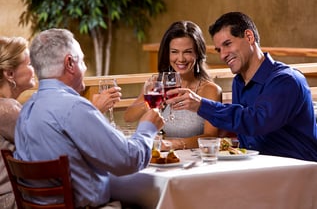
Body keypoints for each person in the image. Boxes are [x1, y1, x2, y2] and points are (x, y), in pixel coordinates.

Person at [13, 28, 164, 208]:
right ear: (70, 63)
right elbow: (129, 160)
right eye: (83, 60)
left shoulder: (27, 108)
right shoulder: (74, 107)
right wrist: (148, 128)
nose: (85, 68)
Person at [166, 12, 317, 162]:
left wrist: (202, 105)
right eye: (219, 50)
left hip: (299, 169)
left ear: (249, 37)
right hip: (258, 169)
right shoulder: (239, 82)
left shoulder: (285, 80)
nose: (223, 55)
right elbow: (242, 129)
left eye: (227, 44)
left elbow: (256, 122)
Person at [124, 20, 222, 150]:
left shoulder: (210, 90)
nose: (180, 59)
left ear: (197, 53)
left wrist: (172, 144)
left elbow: (211, 136)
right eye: (174, 52)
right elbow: (128, 117)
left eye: (187, 52)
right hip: (162, 158)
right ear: (167, 54)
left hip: (194, 160)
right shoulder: (159, 85)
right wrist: (151, 100)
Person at [0, 36, 36, 209]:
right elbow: (47, 141)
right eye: (29, 64)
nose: (34, 68)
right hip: (12, 201)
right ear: (9, 73)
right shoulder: (6, 110)